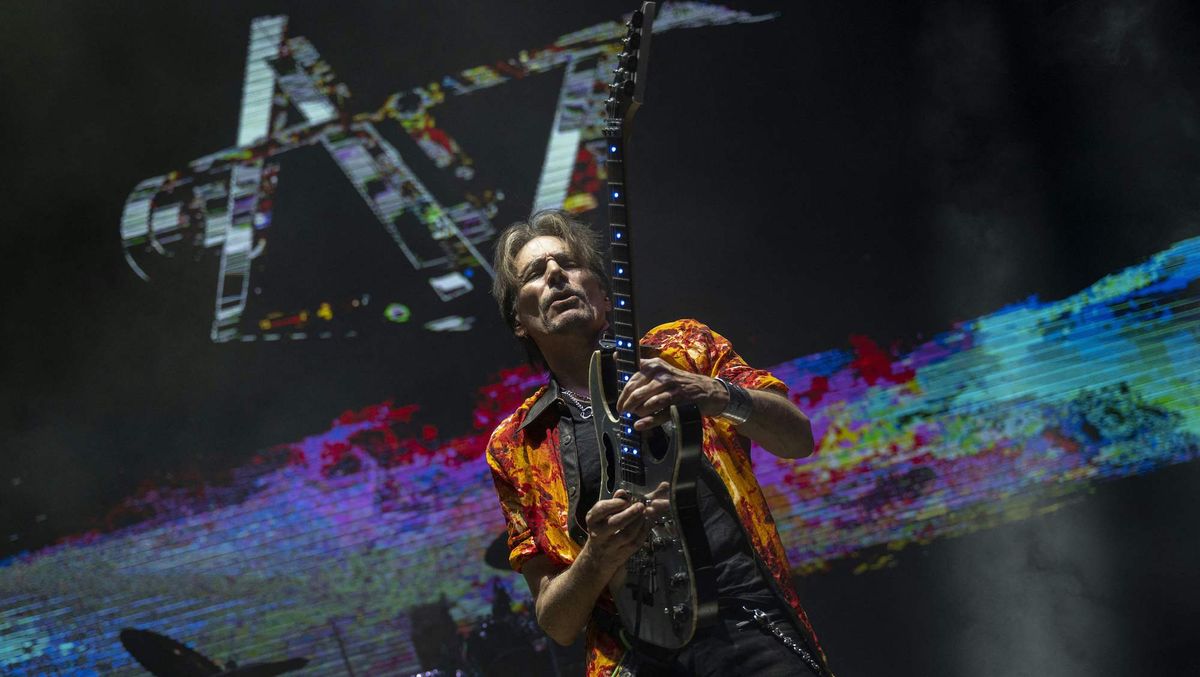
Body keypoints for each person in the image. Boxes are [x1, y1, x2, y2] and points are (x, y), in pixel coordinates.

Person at [485, 210, 832, 676]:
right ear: (519, 323)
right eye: (534, 273)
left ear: (606, 297)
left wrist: (711, 392)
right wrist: (598, 555)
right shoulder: (516, 444)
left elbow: (797, 438)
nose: (555, 275)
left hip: (745, 621)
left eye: (569, 264)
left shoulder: (683, 348)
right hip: (632, 655)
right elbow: (557, 623)